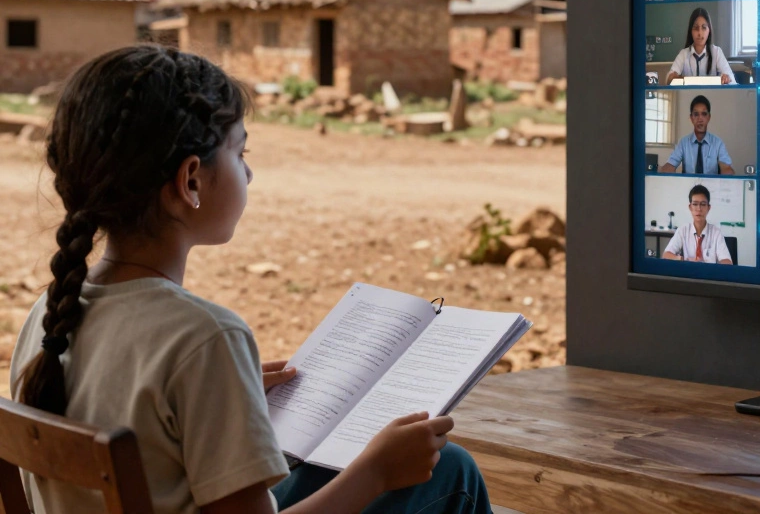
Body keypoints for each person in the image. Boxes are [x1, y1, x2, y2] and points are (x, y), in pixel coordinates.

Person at [9, 45, 489, 514]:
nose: (250, 173)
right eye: (240, 152)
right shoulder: (204, 339)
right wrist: (377, 472)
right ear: (191, 181)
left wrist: (221, 405)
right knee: (450, 470)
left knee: (328, 466)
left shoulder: (50, 316)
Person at [660, 95, 734, 175]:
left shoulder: (718, 143)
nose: (700, 119)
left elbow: (726, 168)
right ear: (691, 118)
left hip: (711, 187)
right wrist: (661, 170)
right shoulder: (683, 143)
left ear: (709, 117)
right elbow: (671, 165)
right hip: (689, 187)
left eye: (704, 114)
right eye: (696, 114)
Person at [661, 185, 733, 264]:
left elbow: (727, 262)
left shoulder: (716, 233)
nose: (699, 209)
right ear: (690, 207)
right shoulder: (683, 230)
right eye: (695, 204)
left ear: (708, 208)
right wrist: (683, 259)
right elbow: (666, 255)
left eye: (703, 204)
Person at [665, 7, 733, 85]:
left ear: (709, 30)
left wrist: (726, 78)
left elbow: (732, 80)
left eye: (704, 28)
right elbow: (669, 79)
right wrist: (674, 77)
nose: (700, 33)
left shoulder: (716, 52)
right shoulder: (683, 54)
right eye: (696, 28)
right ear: (691, 31)